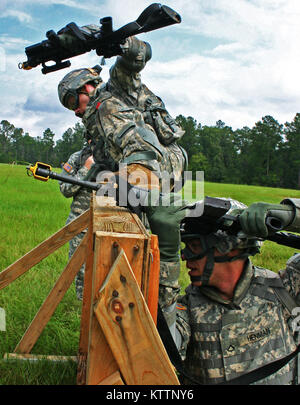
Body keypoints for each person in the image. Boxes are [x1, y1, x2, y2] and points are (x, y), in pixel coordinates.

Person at [144, 195, 300, 384]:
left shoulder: (284, 290)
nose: (185, 257)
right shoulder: (190, 311)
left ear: (229, 247)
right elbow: (162, 348)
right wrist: (167, 258)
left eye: (194, 246)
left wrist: (290, 214)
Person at [57, 33, 188, 193]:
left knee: (104, 106)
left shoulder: (115, 89)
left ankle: (141, 170)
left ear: (87, 86)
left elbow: (133, 60)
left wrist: (121, 43)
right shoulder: (95, 137)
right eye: (70, 108)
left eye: (73, 101)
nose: (75, 110)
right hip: (147, 179)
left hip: (162, 162)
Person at [59, 143, 94, 300]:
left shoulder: (117, 157)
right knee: (82, 274)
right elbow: (66, 189)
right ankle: (86, 316)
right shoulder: (78, 158)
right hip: (80, 227)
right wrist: (85, 169)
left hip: (110, 225)